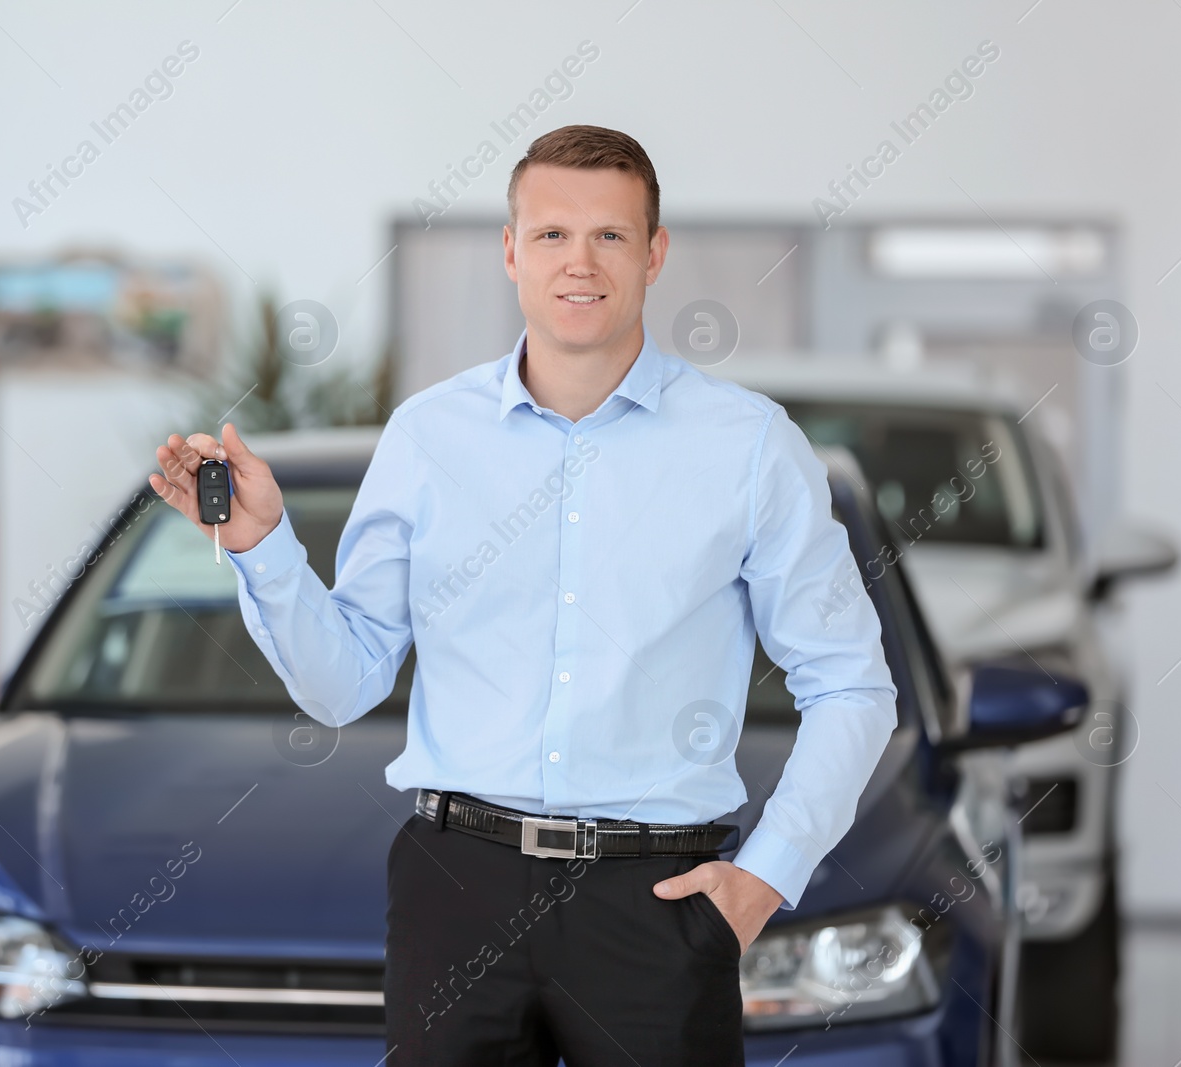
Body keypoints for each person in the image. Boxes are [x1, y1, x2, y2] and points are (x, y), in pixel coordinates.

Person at [149, 124, 897, 1066]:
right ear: (510, 250)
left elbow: (852, 686)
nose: (578, 263)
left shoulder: (749, 447)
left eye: (610, 236)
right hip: (458, 887)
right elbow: (341, 687)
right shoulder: (427, 438)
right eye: (551, 235)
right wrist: (261, 547)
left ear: (655, 252)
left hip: (658, 904)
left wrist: (764, 878)